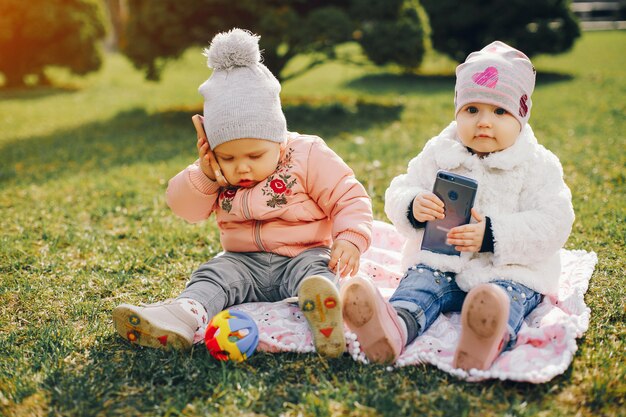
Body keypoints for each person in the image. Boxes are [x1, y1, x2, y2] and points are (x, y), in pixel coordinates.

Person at [113, 28, 373, 358]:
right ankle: (182, 317)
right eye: (229, 157)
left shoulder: (307, 154)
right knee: (211, 276)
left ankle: (322, 309)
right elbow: (184, 208)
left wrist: (350, 237)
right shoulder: (213, 169)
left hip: (302, 254)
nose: (241, 168)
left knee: (318, 273)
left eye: (254, 156)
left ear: (279, 142)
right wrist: (206, 174)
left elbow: (348, 196)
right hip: (242, 263)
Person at [340, 41, 574, 369]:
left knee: (504, 298)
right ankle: (393, 327)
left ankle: (484, 340)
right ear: (457, 111)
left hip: (511, 271)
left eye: (500, 111)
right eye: (471, 109)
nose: (483, 122)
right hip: (443, 263)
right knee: (420, 283)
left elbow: (555, 220)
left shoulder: (536, 164)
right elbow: (400, 188)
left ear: (521, 115)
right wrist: (413, 205)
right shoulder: (441, 152)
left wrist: (492, 235)